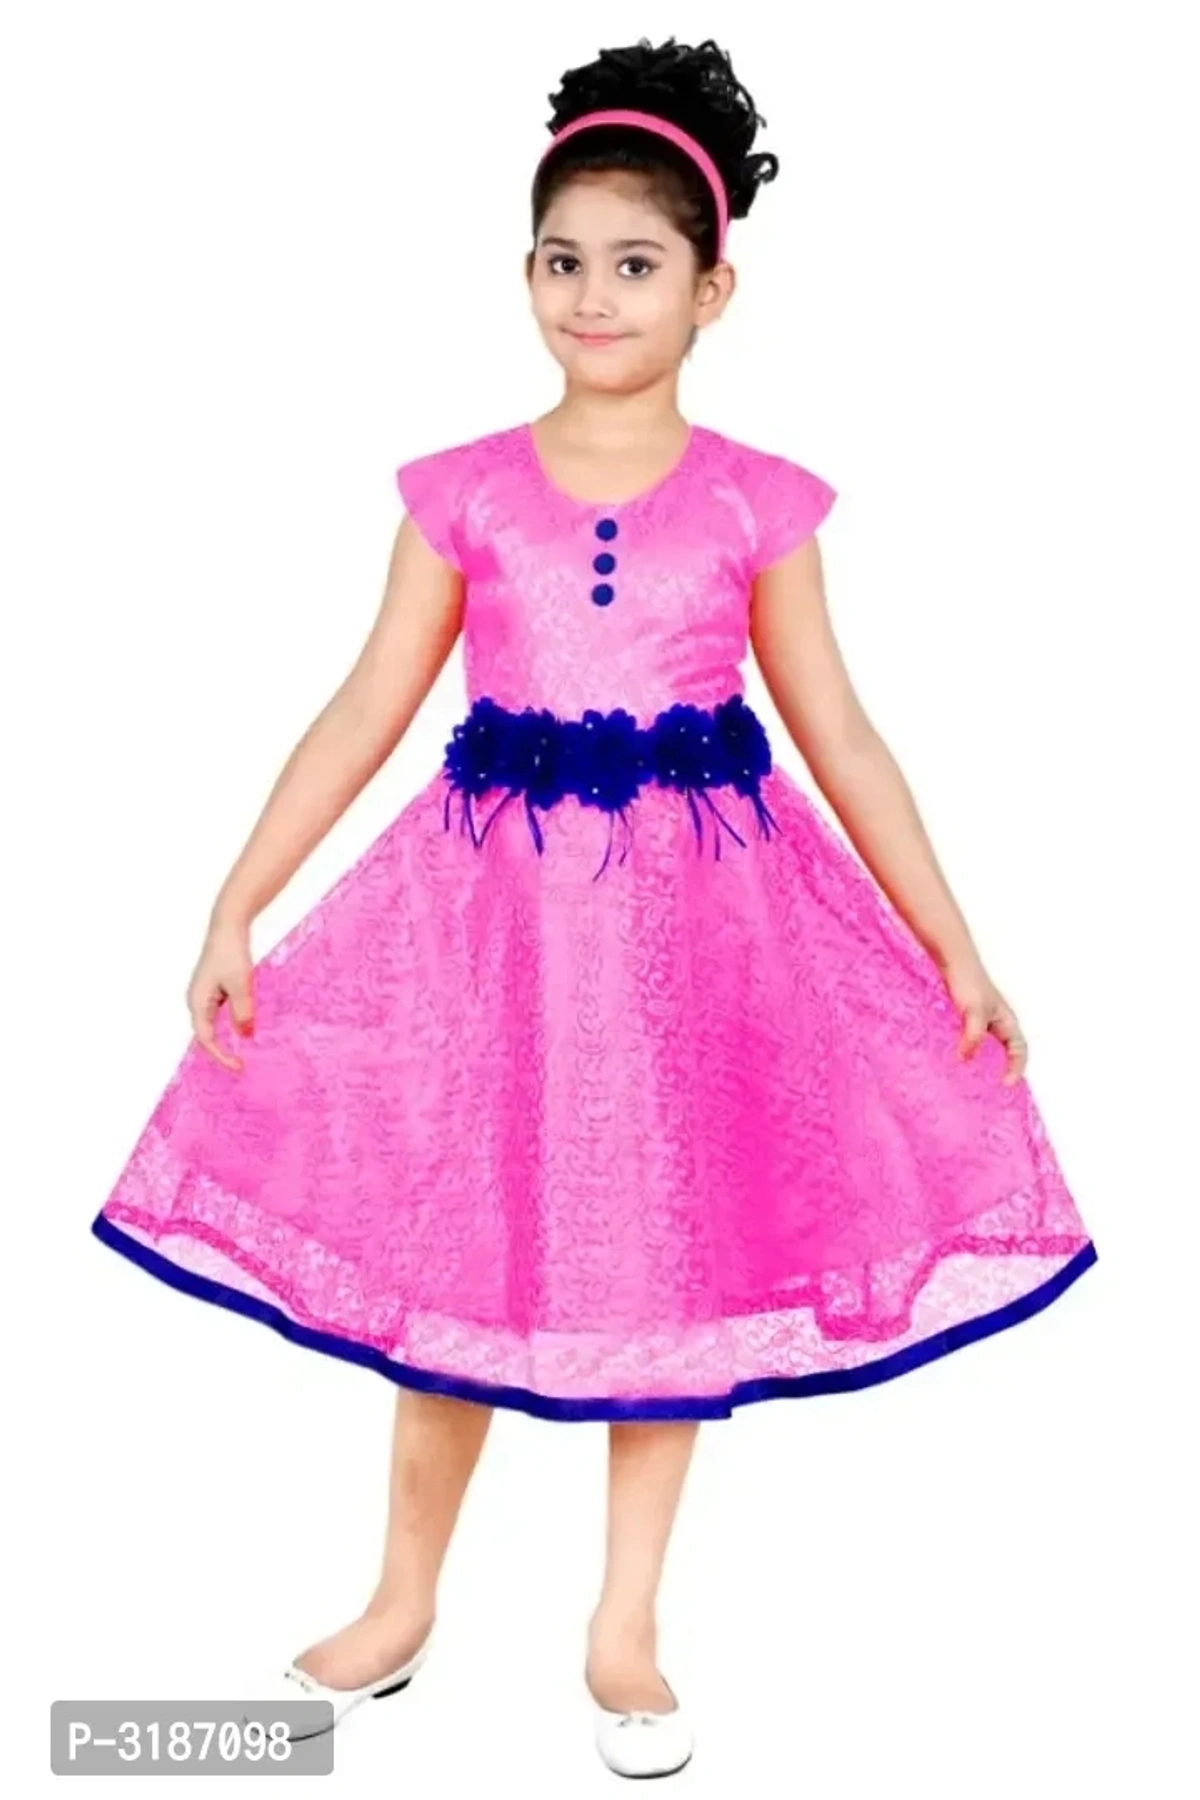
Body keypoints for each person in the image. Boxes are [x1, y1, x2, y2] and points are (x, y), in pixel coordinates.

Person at [89, 34, 1097, 1782]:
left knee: (669, 1258)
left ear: (714, 289)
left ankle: (625, 1623)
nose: (593, 296)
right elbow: (368, 703)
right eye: (562, 261)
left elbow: (842, 733)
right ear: (525, 274)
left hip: (699, 947)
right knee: (451, 1243)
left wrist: (956, 945)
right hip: (490, 943)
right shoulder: (465, 492)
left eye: (635, 265)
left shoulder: (759, 504)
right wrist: (238, 900)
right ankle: (402, 1599)